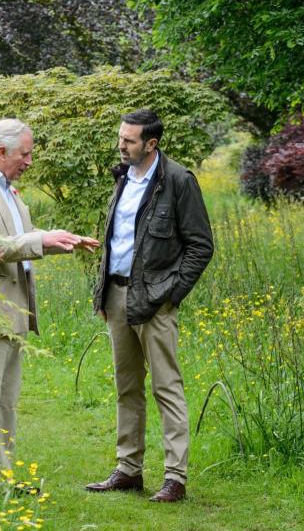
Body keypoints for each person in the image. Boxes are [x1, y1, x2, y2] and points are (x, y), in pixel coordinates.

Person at [0, 118, 99, 477]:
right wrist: (40, 241)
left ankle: (1, 475)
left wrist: (59, 239)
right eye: (25, 154)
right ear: (1, 152)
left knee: (5, 401)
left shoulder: (5, 188)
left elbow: (21, 236)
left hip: (12, 310)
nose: (29, 162)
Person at [85, 109, 213, 503]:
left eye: (129, 140)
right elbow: (117, 240)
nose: (121, 145)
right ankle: (128, 469)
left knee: (166, 388)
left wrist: (171, 294)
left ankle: (175, 477)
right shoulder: (122, 176)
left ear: (151, 143)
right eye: (120, 138)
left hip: (155, 301)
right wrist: (104, 291)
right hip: (116, 296)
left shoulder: (177, 181)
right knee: (127, 388)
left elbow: (200, 246)